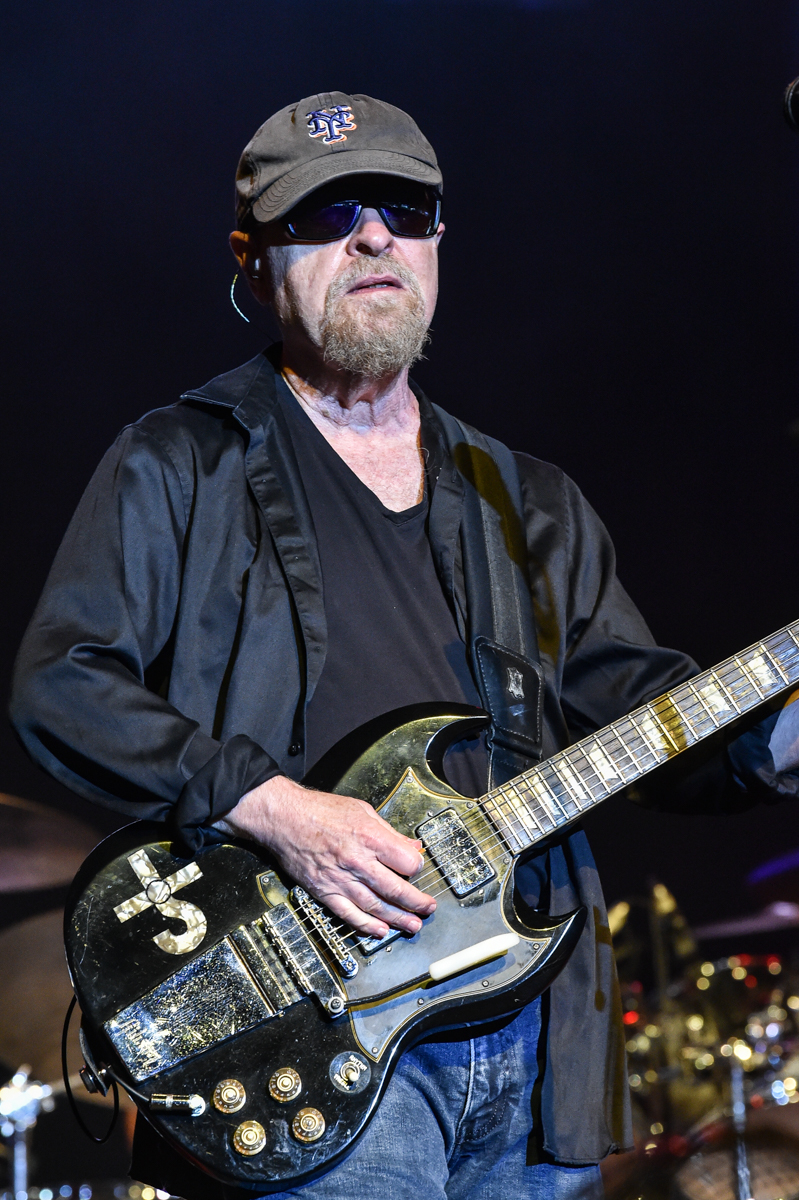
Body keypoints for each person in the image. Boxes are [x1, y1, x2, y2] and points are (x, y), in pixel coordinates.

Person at [9, 92, 799, 1200]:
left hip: (526, 1049)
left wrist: (773, 741)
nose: (374, 235)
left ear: (438, 244)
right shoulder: (177, 462)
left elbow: (641, 719)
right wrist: (279, 809)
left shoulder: (528, 499)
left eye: (405, 210)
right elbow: (60, 686)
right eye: (326, 215)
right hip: (307, 1046)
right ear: (252, 263)